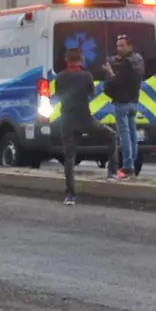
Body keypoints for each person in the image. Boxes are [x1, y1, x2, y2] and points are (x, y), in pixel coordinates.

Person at [54, 48, 110, 206]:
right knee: (111, 137)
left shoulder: (60, 77)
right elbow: (91, 93)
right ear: (82, 59)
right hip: (84, 118)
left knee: (69, 158)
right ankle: (112, 172)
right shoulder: (86, 76)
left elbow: (58, 94)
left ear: (66, 59)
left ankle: (70, 195)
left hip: (66, 119)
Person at [101, 34, 145, 180]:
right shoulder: (138, 60)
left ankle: (127, 167)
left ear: (130, 46)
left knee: (125, 136)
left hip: (122, 103)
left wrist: (109, 70)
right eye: (118, 45)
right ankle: (132, 163)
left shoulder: (126, 64)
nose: (119, 48)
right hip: (134, 102)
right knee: (133, 135)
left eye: (122, 45)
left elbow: (116, 81)